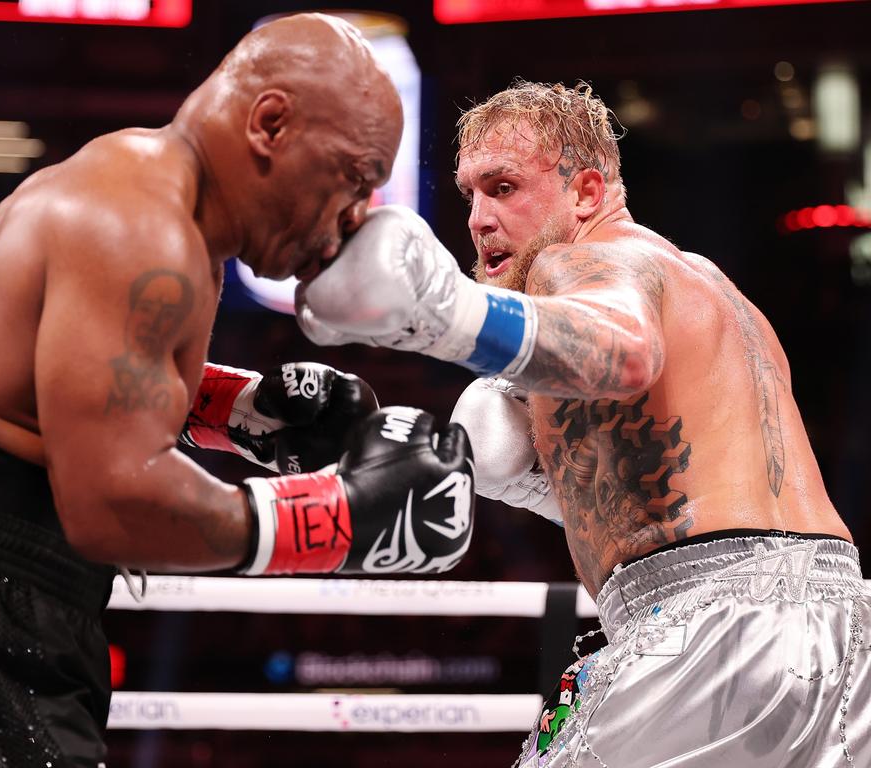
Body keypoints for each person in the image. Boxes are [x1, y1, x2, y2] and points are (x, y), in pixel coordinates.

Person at [0, 14, 477, 767]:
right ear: (270, 123)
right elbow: (114, 500)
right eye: (353, 176)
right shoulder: (137, 223)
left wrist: (246, 415)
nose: (355, 217)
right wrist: (339, 518)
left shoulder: (158, 206)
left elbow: (84, 384)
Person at [296, 80, 870, 766]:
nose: (478, 220)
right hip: (847, 629)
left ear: (587, 193)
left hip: (709, 628)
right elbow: (673, 493)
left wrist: (438, 313)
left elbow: (623, 353)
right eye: (469, 194)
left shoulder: (584, 261)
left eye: (503, 187)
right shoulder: (708, 287)